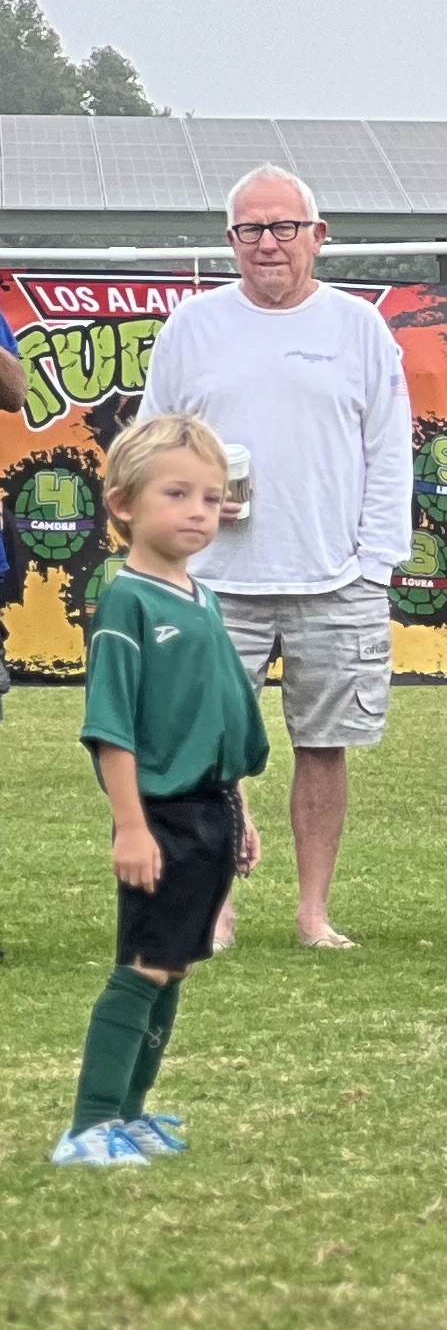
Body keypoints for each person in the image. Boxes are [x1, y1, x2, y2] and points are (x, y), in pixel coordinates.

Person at [143, 164, 408, 952]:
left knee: (325, 747)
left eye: (284, 227)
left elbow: (390, 452)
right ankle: (215, 909)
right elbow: (152, 445)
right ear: (231, 240)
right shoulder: (192, 327)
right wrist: (190, 497)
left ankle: (313, 913)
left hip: (337, 578)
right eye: (251, 229)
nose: (268, 243)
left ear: (317, 236)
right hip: (212, 580)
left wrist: (375, 564)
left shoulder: (359, 328)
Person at [52, 414, 263, 1169]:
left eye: (210, 496)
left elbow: (220, 715)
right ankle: (89, 1125)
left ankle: (130, 1115)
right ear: (123, 504)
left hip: (211, 810)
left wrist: (240, 812)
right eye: (177, 494)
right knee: (143, 965)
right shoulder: (127, 601)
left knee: (173, 964)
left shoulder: (202, 598)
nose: (198, 511)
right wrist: (131, 827)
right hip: (161, 816)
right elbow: (111, 728)